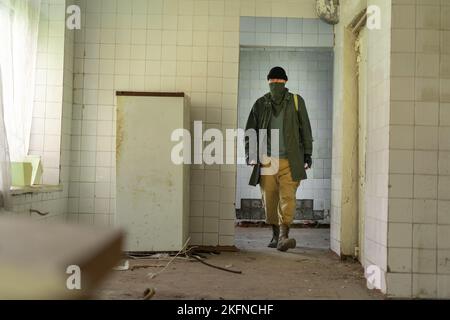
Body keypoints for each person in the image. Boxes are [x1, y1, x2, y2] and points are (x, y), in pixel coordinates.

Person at [245, 66, 313, 252]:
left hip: (291, 160)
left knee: (288, 198)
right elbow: (250, 131)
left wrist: (308, 153)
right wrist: (251, 156)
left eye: (279, 82)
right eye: (273, 82)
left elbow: (305, 128)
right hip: (267, 161)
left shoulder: (296, 102)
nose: (276, 85)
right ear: (268, 82)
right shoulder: (260, 104)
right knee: (269, 198)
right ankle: (275, 234)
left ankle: (284, 235)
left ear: (286, 82)